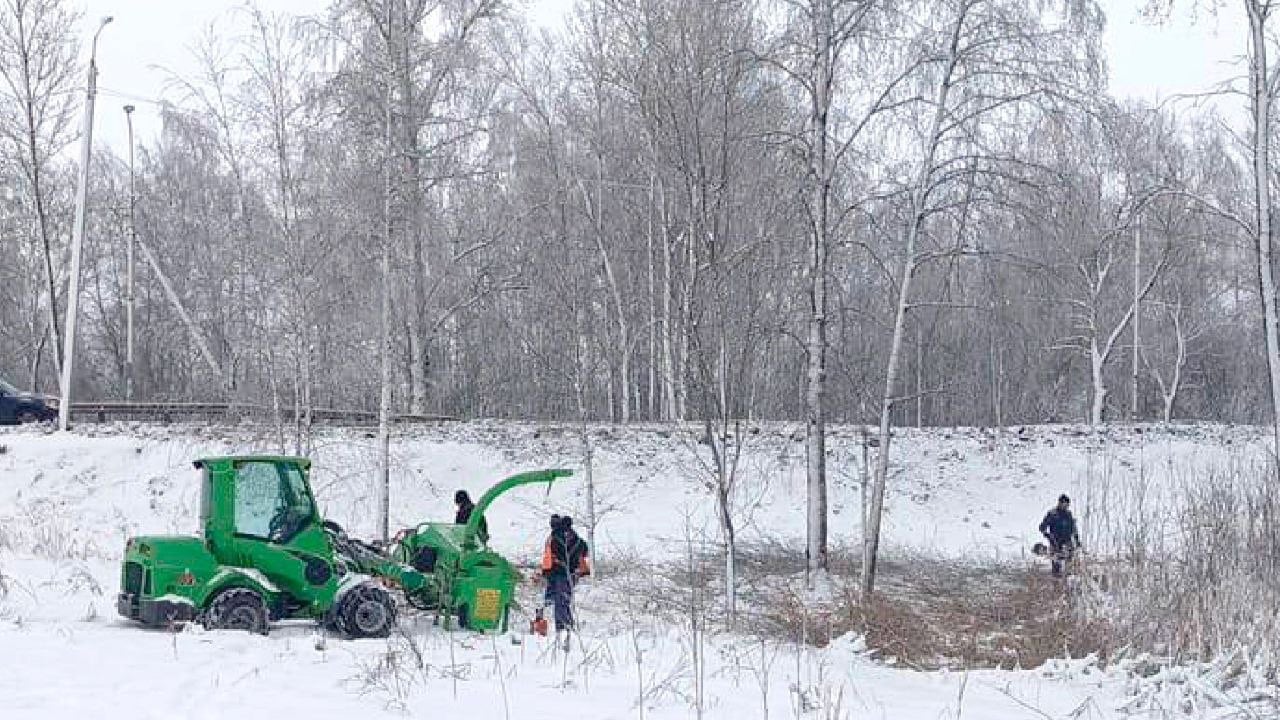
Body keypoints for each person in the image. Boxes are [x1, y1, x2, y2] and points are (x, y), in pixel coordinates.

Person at [541, 514, 590, 651]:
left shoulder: (556, 537)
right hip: (568, 574)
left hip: (558, 574)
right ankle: (562, 626)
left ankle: (562, 629)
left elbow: (551, 556)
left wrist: (547, 571)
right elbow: (585, 550)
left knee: (558, 601)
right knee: (560, 600)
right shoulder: (574, 537)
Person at [1038, 494, 1081, 576]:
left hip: (1068, 543)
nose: (1066, 506)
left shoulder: (1069, 514)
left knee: (1069, 567)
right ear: (1059, 503)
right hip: (1055, 542)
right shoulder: (1052, 514)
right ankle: (1056, 584)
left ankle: (1068, 583)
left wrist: (1077, 541)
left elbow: (1074, 529)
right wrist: (1048, 536)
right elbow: (1042, 527)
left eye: (1067, 504)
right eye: (1064, 504)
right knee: (1056, 568)